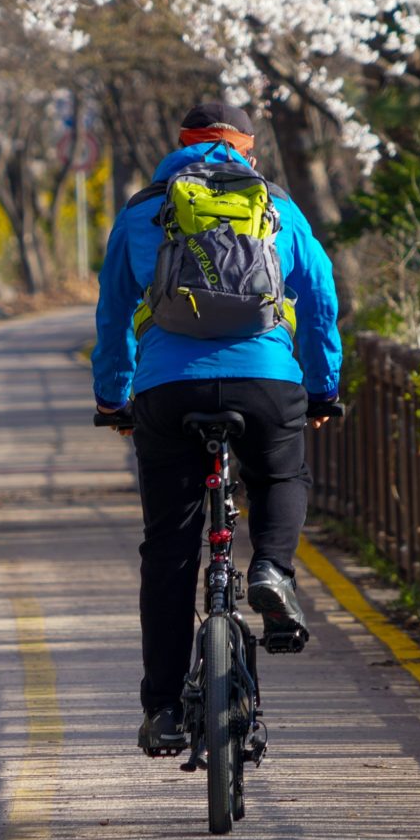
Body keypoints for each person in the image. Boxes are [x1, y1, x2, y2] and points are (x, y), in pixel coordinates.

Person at [94, 101, 342, 756]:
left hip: (168, 388)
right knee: (281, 473)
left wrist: (113, 398)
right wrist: (323, 388)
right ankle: (272, 570)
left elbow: (113, 313)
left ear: (180, 143)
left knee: (170, 551)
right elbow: (320, 299)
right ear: (247, 149)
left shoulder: (142, 210)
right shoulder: (278, 207)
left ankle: (163, 710)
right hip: (266, 380)